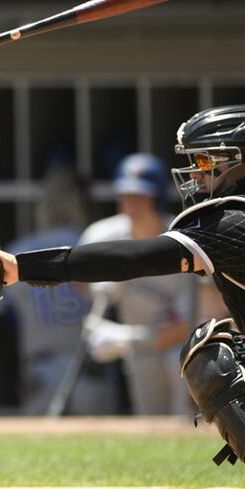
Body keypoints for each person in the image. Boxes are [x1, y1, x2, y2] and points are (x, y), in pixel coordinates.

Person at [0, 104, 245, 489]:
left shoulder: (241, 222)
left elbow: (132, 259)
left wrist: (19, 268)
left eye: (207, 162)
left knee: (213, 353)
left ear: (244, 163)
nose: (196, 173)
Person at [0, 166, 119, 416]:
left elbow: (1, 314)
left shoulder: (19, 251)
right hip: (90, 367)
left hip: (41, 368)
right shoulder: (93, 245)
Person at [78, 153, 195, 416]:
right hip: (140, 352)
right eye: (126, 196)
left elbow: (188, 325)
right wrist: (96, 286)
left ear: (157, 198)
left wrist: (124, 339)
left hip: (181, 348)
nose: (131, 205)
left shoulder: (182, 241)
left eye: (141, 197)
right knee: (150, 418)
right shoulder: (103, 235)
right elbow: (77, 281)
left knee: (175, 365)